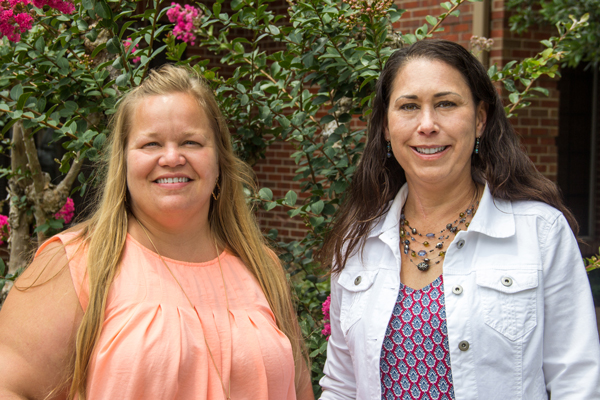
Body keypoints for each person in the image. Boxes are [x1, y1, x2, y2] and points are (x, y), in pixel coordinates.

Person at [0, 65, 314, 400]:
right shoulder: (76, 264)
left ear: (219, 158)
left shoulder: (261, 266)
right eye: (150, 144)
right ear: (123, 161)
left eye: (191, 142)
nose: (172, 157)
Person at [318, 39, 600, 400]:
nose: (427, 124)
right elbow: (342, 386)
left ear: (480, 119)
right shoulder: (358, 242)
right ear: (386, 128)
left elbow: (576, 381)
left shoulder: (540, 232)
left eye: (446, 104)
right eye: (408, 106)